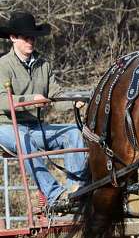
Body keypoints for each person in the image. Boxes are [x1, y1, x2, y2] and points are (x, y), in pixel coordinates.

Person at [0, 11, 88, 207]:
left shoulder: (43, 64)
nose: (30, 41)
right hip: (6, 127)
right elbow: (3, 101)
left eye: (33, 37)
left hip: (35, 126)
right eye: (25, 37)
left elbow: (55, 94)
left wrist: (74, 100)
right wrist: (32, 100)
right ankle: (54, 195)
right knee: (25, 140)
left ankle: (76, 191)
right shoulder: (2, 65)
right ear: (13, 38)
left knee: (73, 132)